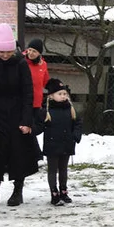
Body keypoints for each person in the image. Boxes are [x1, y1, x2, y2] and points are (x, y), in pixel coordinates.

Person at [0, 24, 38, 207]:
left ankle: (17, 191)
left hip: (17, 114)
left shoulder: (20, 63)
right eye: (1, 51)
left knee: (17, 153)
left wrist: (27, 120)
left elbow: (28, 93)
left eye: (8, 51)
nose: (4, 55)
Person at [41, 78, 82, 206]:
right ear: (51, 96)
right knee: (52, 169)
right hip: (52, 144)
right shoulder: (46, 110)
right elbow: (38, 124)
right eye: (60, 94)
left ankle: (63, 190)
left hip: (66, 143)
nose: (63, 96)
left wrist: (75, 135)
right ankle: (54, 192)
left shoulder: (70, 108)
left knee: (63, 169)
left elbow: (77, 123)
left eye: (64, 94)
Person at [25, 38, 50, 132]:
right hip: (24, 101)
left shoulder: (43, 65)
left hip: (36, 102)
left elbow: (46, 82)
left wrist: (58, 90)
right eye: (29, 50)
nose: (30, 53)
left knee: (34, 128)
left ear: (39, 53)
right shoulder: (22, 62)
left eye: (34, 51)